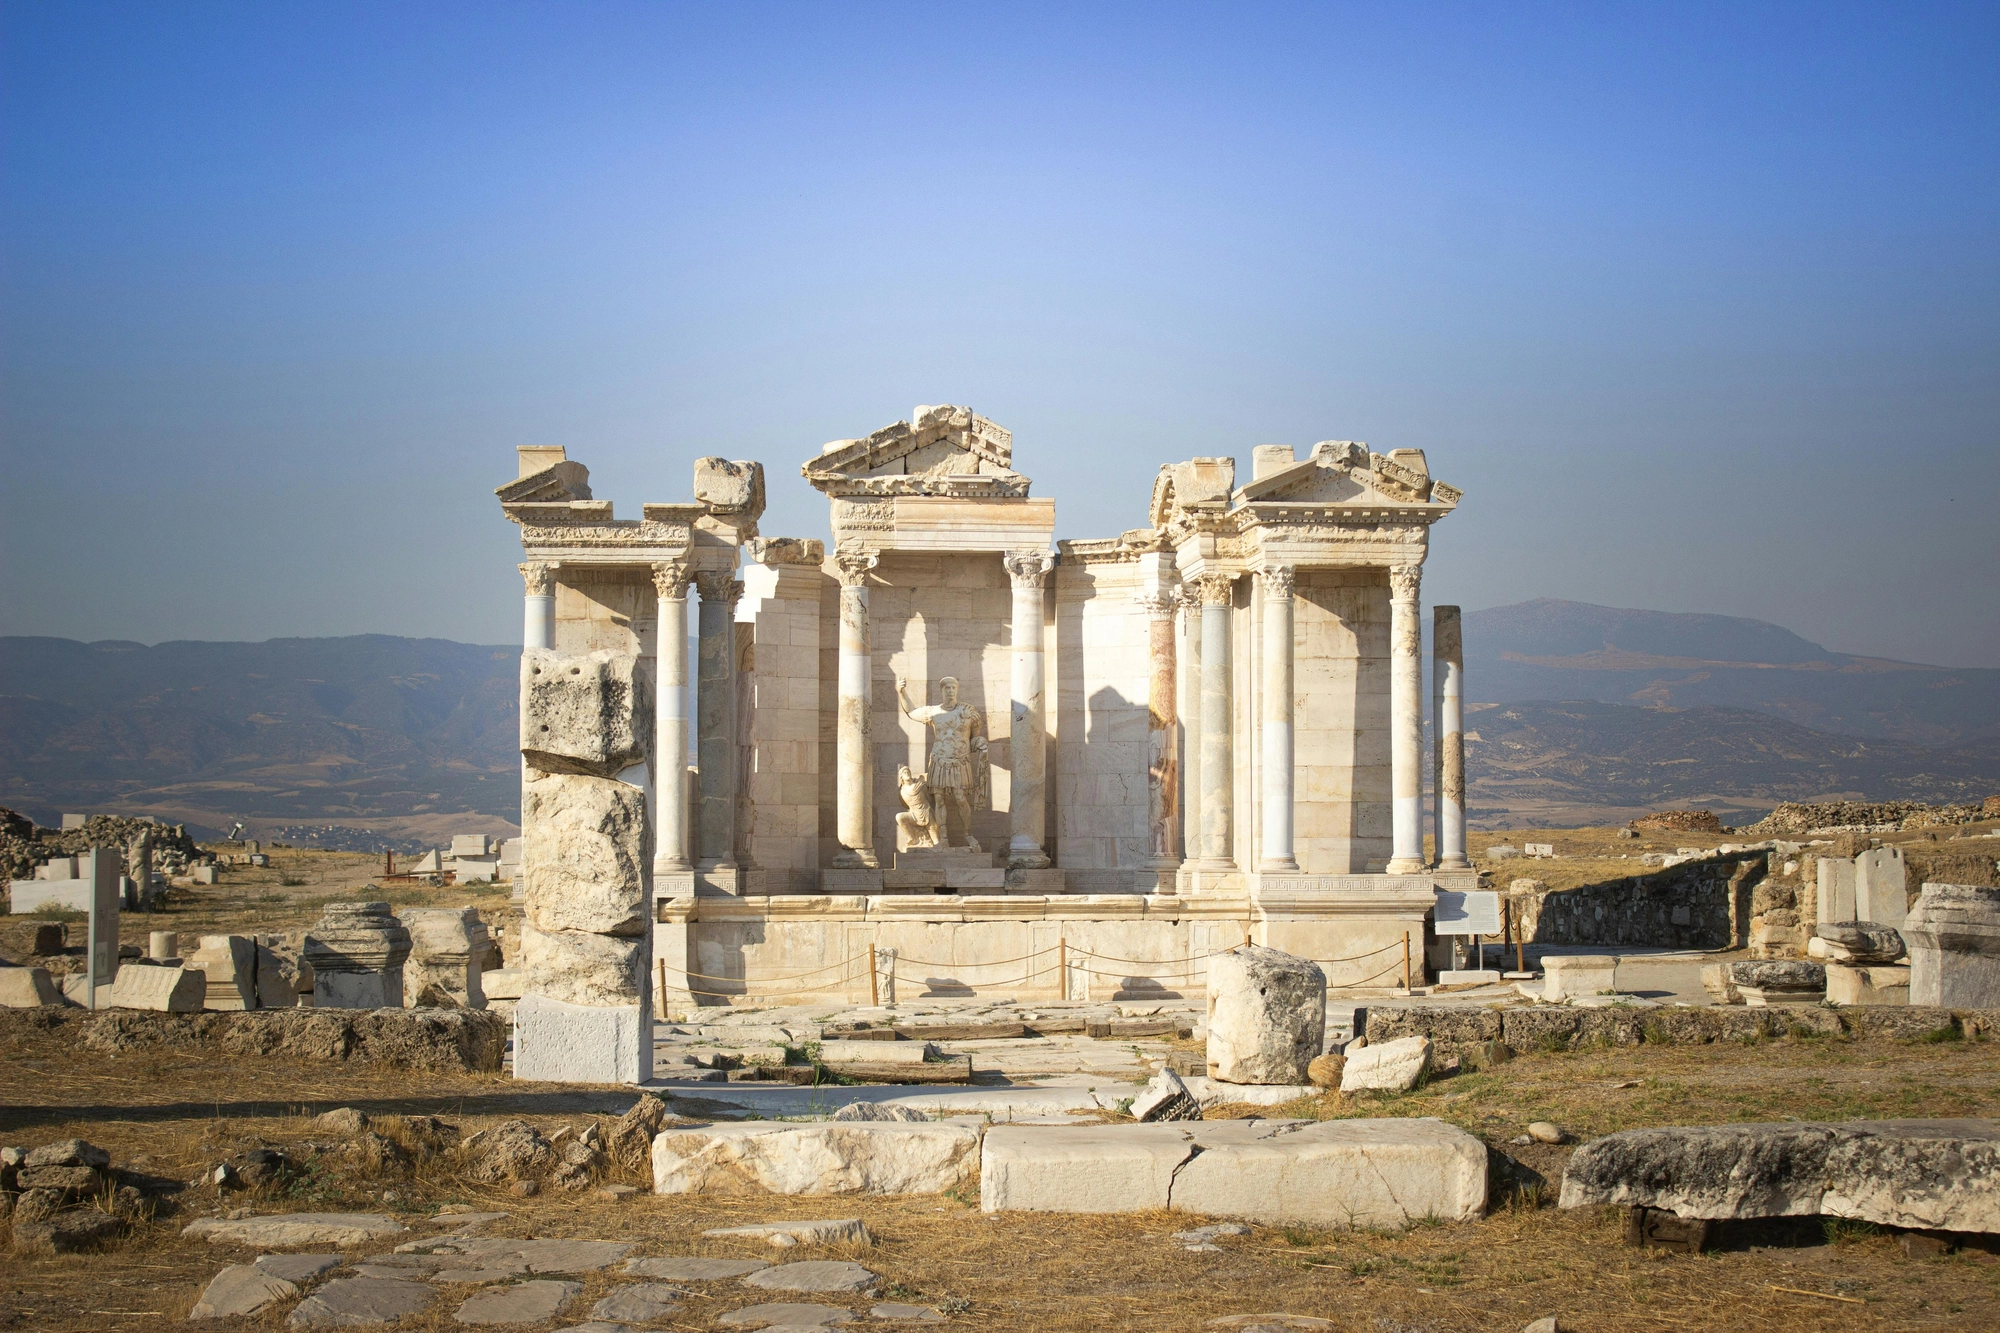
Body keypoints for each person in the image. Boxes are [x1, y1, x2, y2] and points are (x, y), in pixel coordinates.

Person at [894, 675, 988, 849]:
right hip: (939, 759)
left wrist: (980, 743)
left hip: (960, 760)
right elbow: (912, 712)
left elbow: (973, 739)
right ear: (941, 691)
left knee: (961, 798)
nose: (950, 691)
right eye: (947, 688)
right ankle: (943, 838)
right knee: (939, 799)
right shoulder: (933, 712)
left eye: (953, 688)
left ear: (957, 690)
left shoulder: (968, 713)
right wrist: (901, 692)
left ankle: (968, 834)